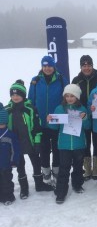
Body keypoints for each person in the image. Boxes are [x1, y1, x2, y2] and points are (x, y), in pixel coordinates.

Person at [6, 80, 53, 199]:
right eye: (13, 94)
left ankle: (39, 184)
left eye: (18, 94)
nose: (15, 97)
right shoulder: (7, 110)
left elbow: (37, 126)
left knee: (36, 163)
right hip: (16, 144)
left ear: (23, 95)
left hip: (30, 142)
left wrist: (37, 142)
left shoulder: (31, 109)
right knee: (20, 166)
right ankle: (24, 188)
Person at [47, 84, 90, 204]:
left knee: (77, 166)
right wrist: (50, 119)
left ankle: (77, 184)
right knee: (64, 168)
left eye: (72, 96)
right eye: (67, 96)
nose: (70, 98)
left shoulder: (82, 109)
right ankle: (61, 192)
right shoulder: (59, 109)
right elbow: (54, 127)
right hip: (64, 145)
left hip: (79, 144)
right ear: (64, 97)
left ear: (77, 97)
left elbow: (87, 127)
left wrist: (85, 118)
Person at [28, 55, 68, 184]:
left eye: (49, 66)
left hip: (57, 122)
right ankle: (46, 173)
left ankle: (56, 172)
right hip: (41, 123)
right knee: (44, 149)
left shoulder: (61, 80)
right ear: (42, 67)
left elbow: (68, 99)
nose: (47, 68)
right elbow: (30, 101)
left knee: (57, 149)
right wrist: (33, 118)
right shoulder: (35, 81)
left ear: (53, 66)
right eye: (44, 66)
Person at [72, 55, 97, 180]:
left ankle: (96, 170)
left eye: (89, 65)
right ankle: (87, 169)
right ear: (81, 67)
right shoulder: (76, 80)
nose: (87, 68)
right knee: (86, 142)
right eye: (84, 66)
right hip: (82, 116)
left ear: (92, 66)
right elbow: (72, 98)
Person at [0, 102, 20, 205]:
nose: (1, 126)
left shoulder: (10, 134)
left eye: (2, 123)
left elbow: (15, 149)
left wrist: (13, 161)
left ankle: (8, 197)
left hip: (6, 164)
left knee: (6, 182)